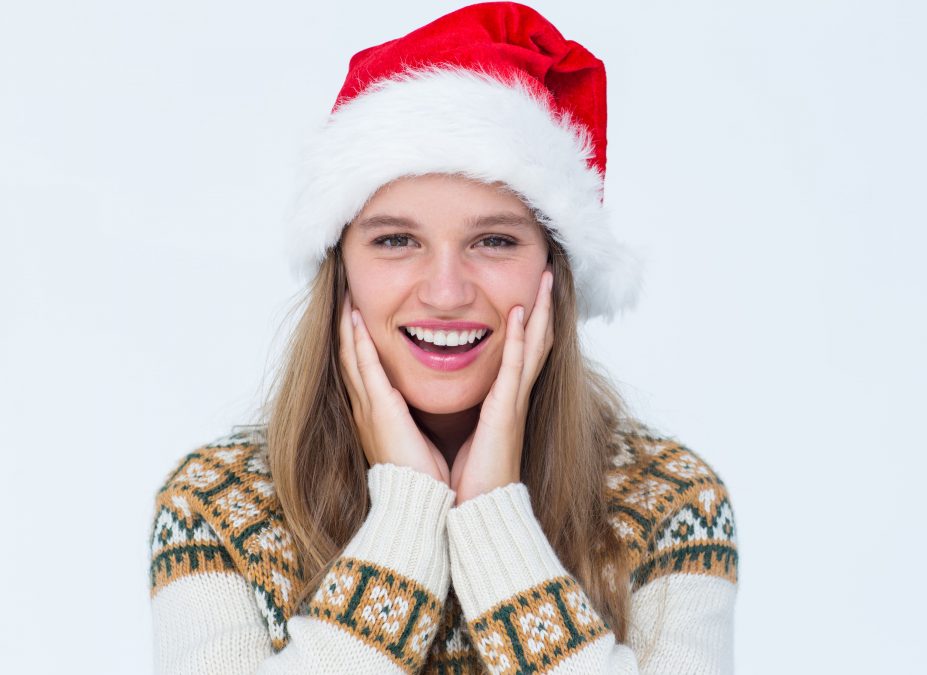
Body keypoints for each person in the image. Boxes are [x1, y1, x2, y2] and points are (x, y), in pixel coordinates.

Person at [146, 3, 739, 673]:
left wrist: (494, 517)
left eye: (494, 240)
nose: (447, 290)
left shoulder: (670, 502)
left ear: (555, 269)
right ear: (340, 272)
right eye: (396, 240)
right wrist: (406, 518)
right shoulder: (216, 504)